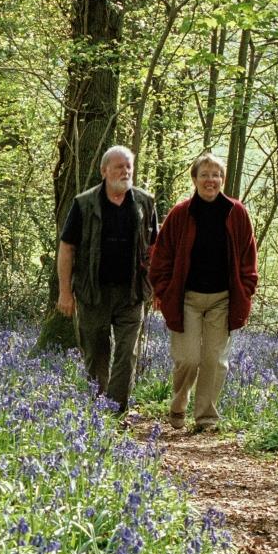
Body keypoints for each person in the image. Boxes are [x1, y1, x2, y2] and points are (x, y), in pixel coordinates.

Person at [148, 153, 259, 434]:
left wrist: (245, 291)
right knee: (188, 359)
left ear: (222, 179)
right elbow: (161, 257)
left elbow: (248, 258)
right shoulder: (180, 213)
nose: (211, 180)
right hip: (186, 299)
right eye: (205, 175)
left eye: (216, 175)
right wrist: (163, 289)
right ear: (195, 179)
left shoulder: (237, 213)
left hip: (223, 299)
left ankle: (206, 417)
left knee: (214, 360)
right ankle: (178, 403)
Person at [57, 145, 160, 414]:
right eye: (119, 167)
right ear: (104, 171)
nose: (125, 171)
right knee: (96, 355)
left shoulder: (145, 203)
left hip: (132, 293)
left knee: (127, 354)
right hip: (93, 293)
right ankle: (96, 409)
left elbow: (154, 249)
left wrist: (156, 286)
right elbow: (67, 248)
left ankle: (115, 410)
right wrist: (65, 293)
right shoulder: (84, 203)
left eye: (129, 167)